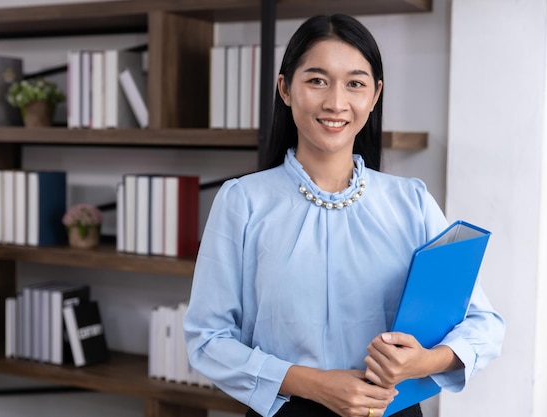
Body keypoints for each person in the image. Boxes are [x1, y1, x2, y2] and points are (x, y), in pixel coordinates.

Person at [183, 13, 504, 417]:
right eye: (317, 80)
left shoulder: (412, 201)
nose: (336, 102)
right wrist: (313, 384)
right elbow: (207, 340)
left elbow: (483, 322)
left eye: (355, 83)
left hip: (391, 410)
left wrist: (424, 361)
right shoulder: (242, 201)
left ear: (375, 95)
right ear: (285, 88)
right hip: (286, 411)